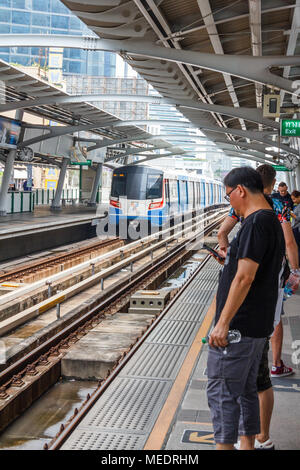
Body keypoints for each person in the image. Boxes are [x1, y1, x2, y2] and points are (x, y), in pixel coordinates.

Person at [218, 164, 300, 450]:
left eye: (229, 194)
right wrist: (296, 271)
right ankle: (255, 441)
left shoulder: (256, 219)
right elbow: (287, 244)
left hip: (248, 319)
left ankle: (251, 441)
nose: (229, 201)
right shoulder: (278, 210)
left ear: (241, 190)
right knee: (255, 379)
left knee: (234, 390)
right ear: (273, 182)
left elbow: (244, 275)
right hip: (264, 309)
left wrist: (222, 322)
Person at [291, 190, 300, 263]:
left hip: (297, 229)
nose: (293, 201)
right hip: (295, 228)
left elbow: (299, 218)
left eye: (294, 199)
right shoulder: (297, 205)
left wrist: (291, 214)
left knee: (298, 247)